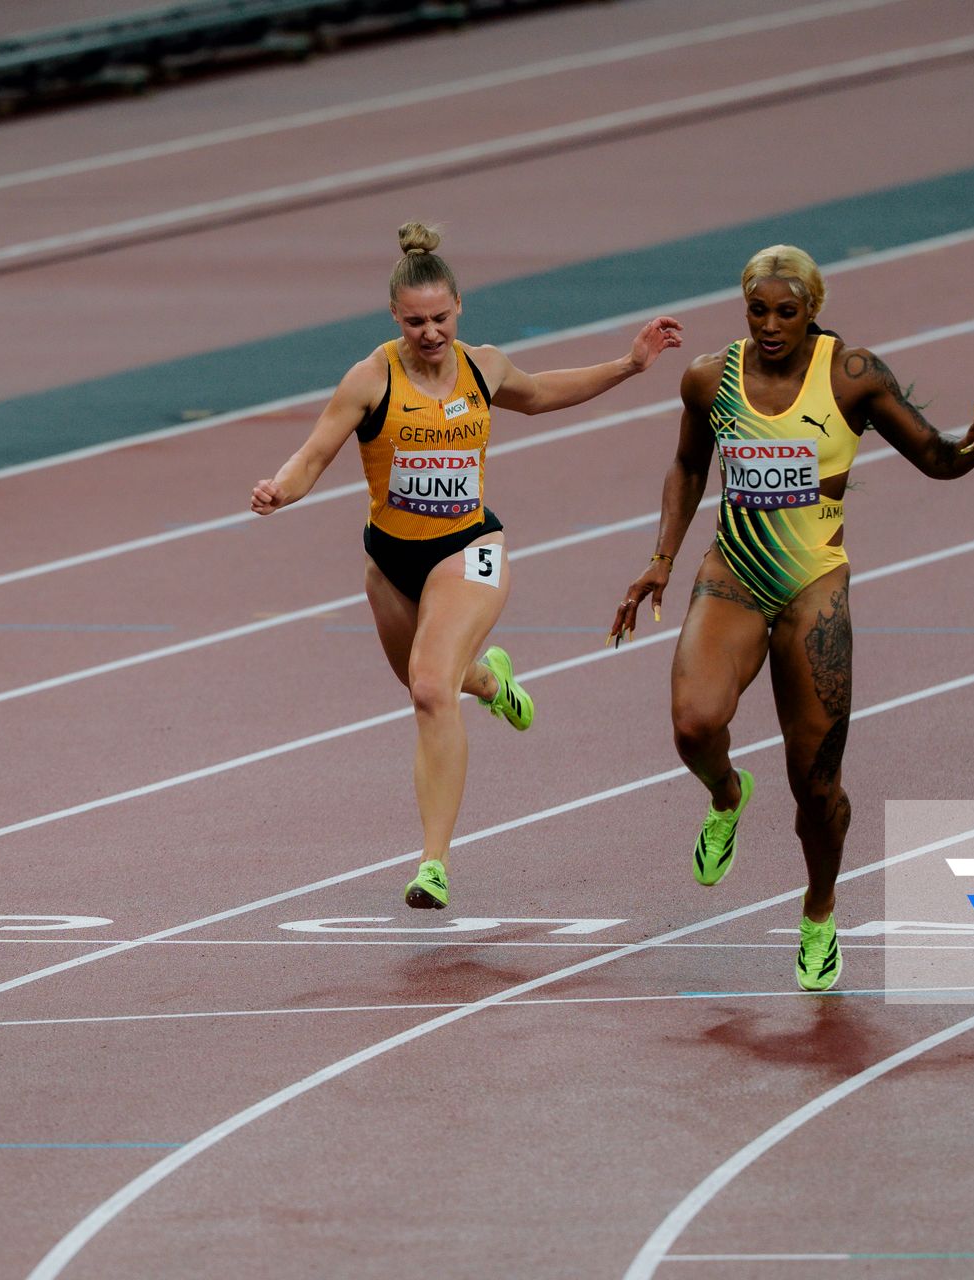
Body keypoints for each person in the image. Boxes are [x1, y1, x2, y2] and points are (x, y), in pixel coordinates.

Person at [610, 244, 974, 990]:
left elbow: (934, 457)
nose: (768, 325)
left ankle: (820, 912)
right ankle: (727, 795)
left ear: (812, 311)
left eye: (785, 312)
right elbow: (691, 464)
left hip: (812, 586)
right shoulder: (709, 377)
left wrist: (973, 449)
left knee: (815, 784)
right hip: (732, 574)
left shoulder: (850, 376)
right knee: (693, 725)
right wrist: (662, 557)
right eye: (756, 310)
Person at [252, 222, 682, 908]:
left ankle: (433, 863)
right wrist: (280, 491)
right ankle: (492, 680)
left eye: (441, 318)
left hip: (471, 549)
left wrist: (628, 365)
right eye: (416, 321)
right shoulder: (370, 380)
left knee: (428, 689)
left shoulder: (482, 366)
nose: (430, 333)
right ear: (395, 316)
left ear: (460, 308)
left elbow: (541, 392)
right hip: (390, 561)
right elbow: (311, 457)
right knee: (437, 684)